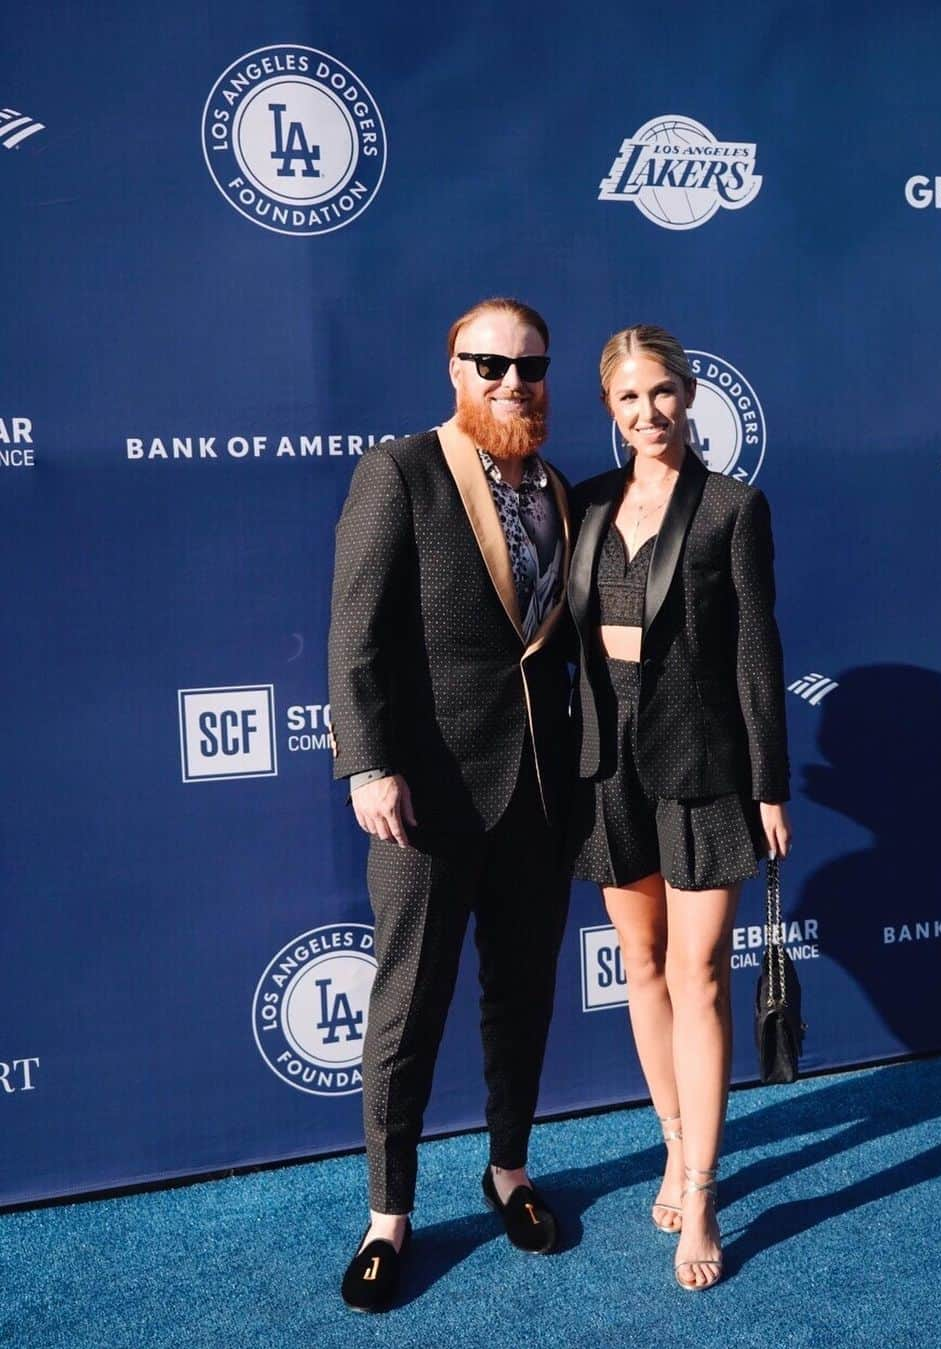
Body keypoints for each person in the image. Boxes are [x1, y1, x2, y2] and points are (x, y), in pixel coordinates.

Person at [327, 298, 573, 1313]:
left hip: (540, 796)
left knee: (520, 997)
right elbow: (355, 634)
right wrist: (367, 765)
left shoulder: (558, 487)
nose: (513, 382)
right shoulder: (400, 471)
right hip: (424, 793)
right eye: (492, 364)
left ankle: (508, 1169)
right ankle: (389, 1215)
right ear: (455, 372)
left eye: (530, 367)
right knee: (406, 1008)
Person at [566, 325, 793, 1292]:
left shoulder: (734, 508)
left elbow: (757, 650)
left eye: (661, 392)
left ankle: (701, 1186)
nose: (647, 412)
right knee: (644, 965)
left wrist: (771, 781)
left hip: (704, 763)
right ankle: (670, 1139)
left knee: (699, 977)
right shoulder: (582, 504)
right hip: (605, 768)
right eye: (628, 398)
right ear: (609, 409)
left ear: (689, 395)